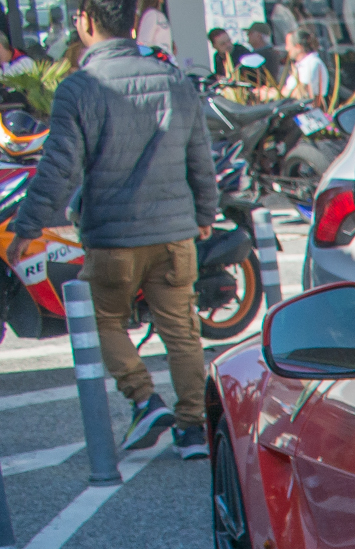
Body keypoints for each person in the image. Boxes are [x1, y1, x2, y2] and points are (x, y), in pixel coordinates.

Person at [10, 0, 220, 459]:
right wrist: (206, 214)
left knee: (99, 318)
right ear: (131, 23)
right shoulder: (174, 80)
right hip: (174, 233)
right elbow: (200, 158)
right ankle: (192, 430)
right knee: (181, 331)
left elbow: (58, 168)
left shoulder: (79, 87)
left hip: (112, 236)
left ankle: (144, 398)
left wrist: (27, 227)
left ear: (86, 21)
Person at [279, 25, 325, 102]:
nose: (287, 49)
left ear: (298, 47)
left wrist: (274, 94)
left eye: (288, 45)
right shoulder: (301, 65)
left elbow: (300, 92)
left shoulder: (312, 63)